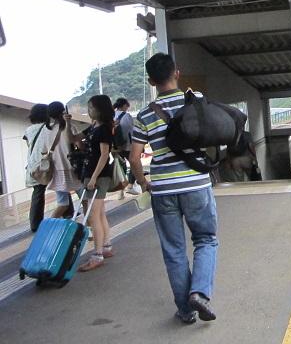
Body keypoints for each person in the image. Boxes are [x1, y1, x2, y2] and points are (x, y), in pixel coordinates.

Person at [129, 53, 218, 325]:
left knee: (173, 250)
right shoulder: (195, 100)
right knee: (205, 239)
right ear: (177, 73)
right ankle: (199, 292)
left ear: (151, 81)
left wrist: (144, 182)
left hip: (163, 189)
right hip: (196, 184)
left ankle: (185, 310)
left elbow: (134, 158)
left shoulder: (144, 115)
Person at [65, 95, 115, 272]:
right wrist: (68, 123)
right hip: (92, 174)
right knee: (99, 213)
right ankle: (106, 246)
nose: (89, 110)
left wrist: (93, 178)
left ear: (100, 109)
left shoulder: (104, 129)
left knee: (93, 216)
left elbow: (104, 155)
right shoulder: (94, 127)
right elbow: (74, 139)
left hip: (98, 176)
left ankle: (97, 255)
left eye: (91, 107)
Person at [42, 102, 81, 220]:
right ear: (63, 112)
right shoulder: (70, 127)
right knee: (85, 198)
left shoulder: (46, 130)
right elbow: (80, 146)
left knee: (63, 204)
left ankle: (49, 225)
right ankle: (89, 225)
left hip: (56, 170)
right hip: (72, 168)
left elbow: (44, 151)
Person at [23, 104, 49, 232]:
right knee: (61, 185)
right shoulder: (48, 128)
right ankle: (68, 211)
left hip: (34, 165)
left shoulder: (28, 130)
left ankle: (35, 223)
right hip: (47, 162)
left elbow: (30, 146)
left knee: (38, 193)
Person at [112, 97, 141, 196]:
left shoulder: (112, 115)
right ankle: (130, 186)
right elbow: (132, 131)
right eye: (127, 106)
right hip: (128, 146)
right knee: (135, 164)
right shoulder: (126, 116)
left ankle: (120, 191)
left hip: (116, 147)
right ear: (124, 105)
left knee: (121, 168)